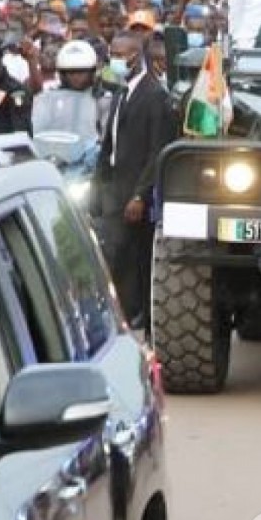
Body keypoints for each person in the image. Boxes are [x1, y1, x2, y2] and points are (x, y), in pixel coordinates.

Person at [94, 31, 178, 331]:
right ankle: (124, 315)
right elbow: (110, 144)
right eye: (111, 54)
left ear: (135, 55)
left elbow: (158, 150)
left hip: (135, 193)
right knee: (114, 256)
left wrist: (141, 195)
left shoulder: (155, 96)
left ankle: (140, 317)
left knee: (137, 259)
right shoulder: (120, 92)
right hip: (113, 189)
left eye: (119, 54)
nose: (114, 60)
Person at [32, 40, 106, 173]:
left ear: (92, 72)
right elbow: (39, 127)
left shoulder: (103, 98)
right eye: (71, 73)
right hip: (55, 161)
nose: (76, 77)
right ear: (62, 74)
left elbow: (107, 135)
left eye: (81, 72)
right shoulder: (50, 96)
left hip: (87, 165)